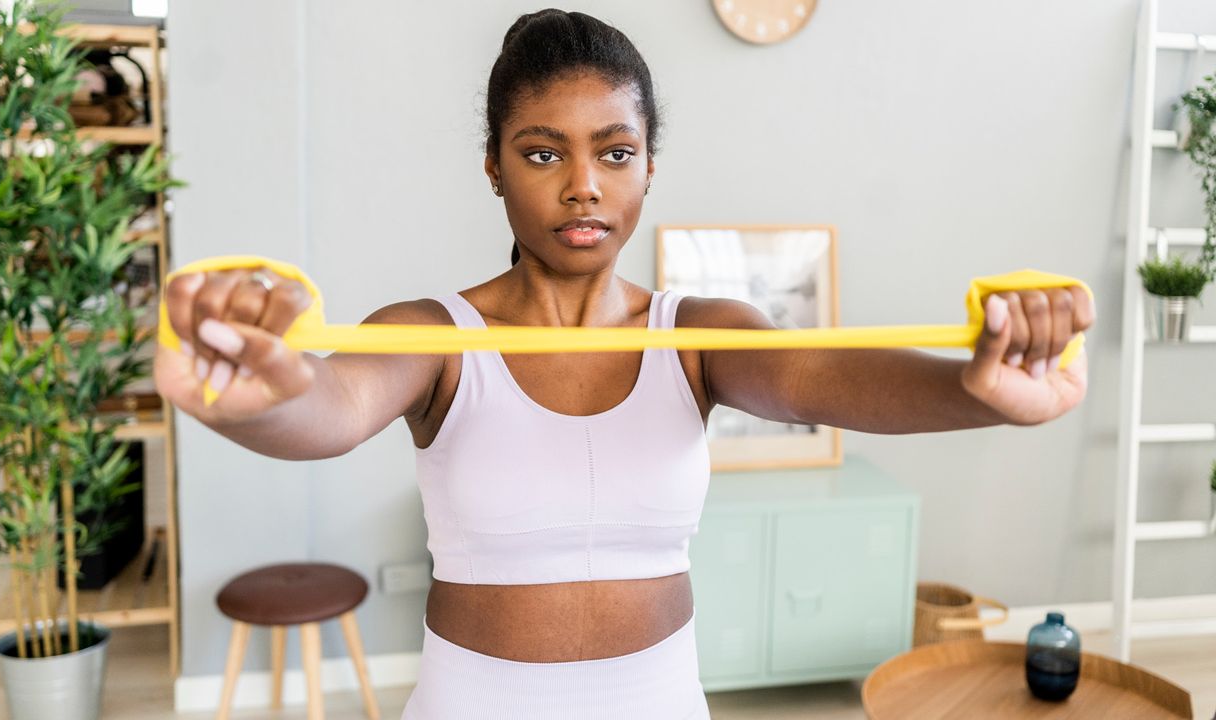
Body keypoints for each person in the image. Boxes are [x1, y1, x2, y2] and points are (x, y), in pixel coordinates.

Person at [154, 9, 1094, 720]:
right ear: (493, 164)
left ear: (649, 166)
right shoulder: (433, 334)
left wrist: (976, 390)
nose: (583, 186)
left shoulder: (700, 335)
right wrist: (249, 401)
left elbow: (821, 376)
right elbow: (326, 403)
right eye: (541, 152)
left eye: (614, 151)